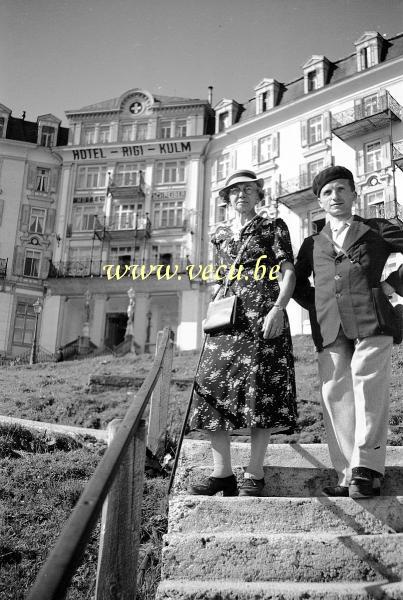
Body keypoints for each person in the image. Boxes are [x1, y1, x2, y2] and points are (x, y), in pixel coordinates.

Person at [293, 165, 403, 498]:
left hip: (373, 319)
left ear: (354, 194)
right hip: (330, 326)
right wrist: (319, 305)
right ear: (320, 203)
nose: (335, 196)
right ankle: (346, 472)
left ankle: (367, 468)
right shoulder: (311, 243)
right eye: (327, 192)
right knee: (335, 393)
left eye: (342, 189)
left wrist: (391, 284)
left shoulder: (377, 229)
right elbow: (296, 283)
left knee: (367, 382)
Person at [188, 169, 298, 497]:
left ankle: (255, 471)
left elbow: (287, 271)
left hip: (264, 314)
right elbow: (219, 277)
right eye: (235, 191)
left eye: (248, 190)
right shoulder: (220, 236)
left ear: (258, 195)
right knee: (210, 384)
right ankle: (221, 473)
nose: (241, 196)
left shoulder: (272, 226)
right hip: (228, 319)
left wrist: (279, 308)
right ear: (227, 199)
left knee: (261, 388)